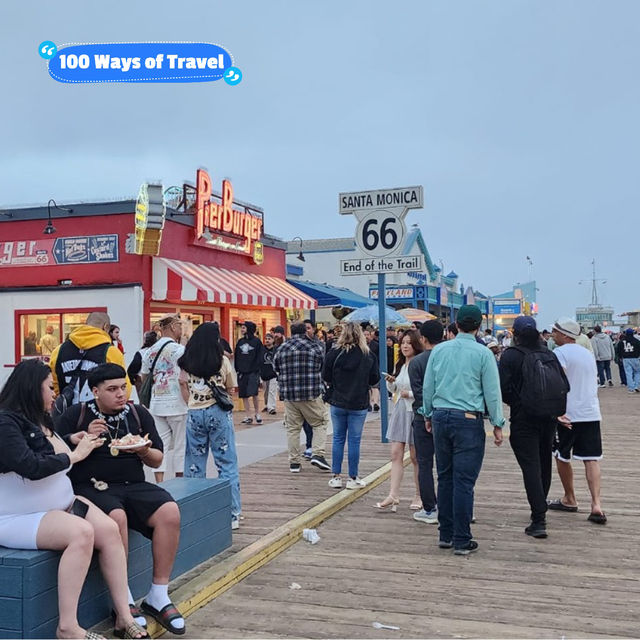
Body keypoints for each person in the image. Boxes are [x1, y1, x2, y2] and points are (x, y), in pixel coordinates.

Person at [0, 360, 149, 639]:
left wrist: (70, 439)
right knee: (82, 533)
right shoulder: (5, 422)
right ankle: (68, 626)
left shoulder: (41, 417)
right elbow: (30, 466)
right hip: (20, 516)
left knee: (109, 530)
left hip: (60, 503)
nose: (54, 393)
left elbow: (49, 450)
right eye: (49, 387)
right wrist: (75, 454)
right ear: (32, 389)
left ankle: (124, 615)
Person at [56, 363, 184, 635]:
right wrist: (79, 438)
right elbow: (54, 449)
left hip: (134, 485)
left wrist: (142, 450)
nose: (120, 394)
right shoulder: (76, 415)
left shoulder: (138, 414)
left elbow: (158, 458)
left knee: (170, 511)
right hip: (91, 487)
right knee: (116, 517)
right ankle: (123, 601)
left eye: (123, 387)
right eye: (112, 389)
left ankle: (158, 595)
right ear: (95, 392)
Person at [422, 305, 505, 555]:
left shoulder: (439, 351)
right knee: (464, 481)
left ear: (456, 325)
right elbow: (492, 391)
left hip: (439, 415)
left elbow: (428, 386)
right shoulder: (483, 354)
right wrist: (498, 423)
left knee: (445, 477)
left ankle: (445, 534)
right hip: (468, 419)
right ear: (478, 327)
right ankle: (461, 538)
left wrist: (427, 414)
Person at [499, 316, 565, 539]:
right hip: (549, 417)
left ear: (515, 334)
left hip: (523, 417)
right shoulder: (549, 353)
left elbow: (503, 388)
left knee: (530, 467)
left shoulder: (511, 355)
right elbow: (565, 385)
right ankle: (539, 509)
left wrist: (518, 401)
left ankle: (539, 519)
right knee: (544, 461)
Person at [178, 322, 241, 529]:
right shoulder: (221, 360)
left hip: (195, 412)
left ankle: (194, 511)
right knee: (226, 462)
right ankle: (232, 513)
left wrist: (191, 402)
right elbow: (231, 388)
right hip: (217, 412)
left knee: (195, 462)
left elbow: (182, 384)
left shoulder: (187, 360)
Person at [548, 317, 606, 525]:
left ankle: (570, 498)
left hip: (568, 414)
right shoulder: (587, 354)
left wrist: (554, 411)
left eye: (555, 331)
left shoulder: (559, 354)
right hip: (590, 412)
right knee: (591, 458)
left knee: (562, 456)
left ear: (565, 335)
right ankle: (596, 504)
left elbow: (557, 383)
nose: (552, 334)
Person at [323, 322, 379, 490]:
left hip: (338, 401)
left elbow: (326, 375)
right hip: (358, 403)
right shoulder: (368, 355)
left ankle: (336, 477)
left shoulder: (333, 353)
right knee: (354, 440)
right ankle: (353, 477)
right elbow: (374, 379)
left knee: (338, 438)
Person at [375, 330, 424, 512]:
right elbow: (396, 388)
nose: (405, 346)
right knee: (395, 453)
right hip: (400, 410)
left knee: (415, 457)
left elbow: (425, 389)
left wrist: (408, 394)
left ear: (416, 345)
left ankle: (419, 495)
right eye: (403, 342)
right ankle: (393, 494)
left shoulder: (419, 364)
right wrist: (391, 383)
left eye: (409, 343)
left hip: (415, 411)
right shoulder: (401, 364)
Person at [273, 321, 330, 473]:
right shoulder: (315, 347)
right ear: (305, 331)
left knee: (293, 428)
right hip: (311, 392)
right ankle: (318, 453)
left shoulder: (282, 348)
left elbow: (275, 367)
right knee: (320, 423)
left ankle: (294, 462)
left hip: (289, 394)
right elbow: (322, 367)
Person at [140, 314, 188, 483]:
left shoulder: (149, 351)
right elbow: (185, 377)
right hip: (177, 401)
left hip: (156, 401)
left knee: (161, 445)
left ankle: (160, 482)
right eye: (180, 326)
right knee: (181, 445)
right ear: (173, 327)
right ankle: (180, 480)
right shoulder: (179, 350)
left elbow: (144, 377)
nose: (181, 330)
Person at [50, 311, 130, 405]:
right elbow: (124, 389)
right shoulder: (111, 352)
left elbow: (53, 385)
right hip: (100, 415)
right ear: (106, 327)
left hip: (67, 415)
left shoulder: (59, 351)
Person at [408, 320, 444, 525]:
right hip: (448, 414)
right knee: (449, 464)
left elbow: (418, 393)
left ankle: (430, 508)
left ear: (423, 339)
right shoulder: (449, 358)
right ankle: (454, 505)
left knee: (424, 463)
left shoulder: (417, 362)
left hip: (422, 416)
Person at [234, 321, 264, 425]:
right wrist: (237, 369)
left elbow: (260, 356)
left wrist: (256, 369)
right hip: (242, 371)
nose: (242, 330)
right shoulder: (240, 342)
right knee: (243, 394)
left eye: (243, 328)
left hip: (253, 371)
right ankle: (248, 415)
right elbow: (237, 356)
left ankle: (257, 413)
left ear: (249, 329)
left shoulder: (257, 342)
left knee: (254, 393)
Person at [260, 332, 278, 415]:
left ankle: (272, 407)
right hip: (264, 373)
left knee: (272, 390)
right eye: (266, 339)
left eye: (269, 339)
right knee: (265, 391)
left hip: (273, 373)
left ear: (273, 340)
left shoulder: (275, 350)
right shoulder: (261, 349)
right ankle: (267, 405)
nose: (267, 340)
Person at [617, 328, 640, 393]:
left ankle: (631, 388)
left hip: (626, 359)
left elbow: (618, 350)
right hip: (635, 358)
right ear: (632, 333)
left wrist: (620, 357)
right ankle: (636, 386)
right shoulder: (637, 341)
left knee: (628, 373)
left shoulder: (621, 341)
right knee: (637, 372)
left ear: (626, 334)